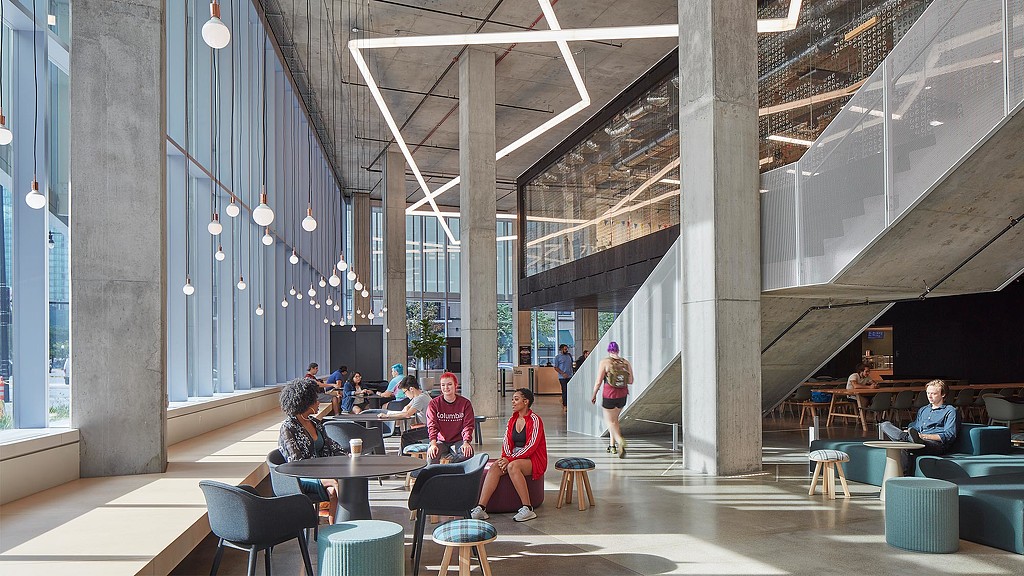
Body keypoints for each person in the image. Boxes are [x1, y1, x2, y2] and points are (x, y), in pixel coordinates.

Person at [471, 388, 547, 523]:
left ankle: (527, 508)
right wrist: (505, 457)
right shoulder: (512, 420)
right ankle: (481, 507)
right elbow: (506, 442)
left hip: (533, 459)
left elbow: (531, 446)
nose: (513, 402)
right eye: (513, 399)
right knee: (495, 466)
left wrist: (510, 459)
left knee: (512, 466)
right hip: (515, 457)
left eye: (516, 399)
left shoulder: (535, 420)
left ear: (526, 402)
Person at [277, 378, 347, 524]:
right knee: (336, 484)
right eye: (315, 399)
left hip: (321, 473)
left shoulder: (315, 422)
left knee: (343, 484)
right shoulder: (288, 428)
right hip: (299, 476)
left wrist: (348, 457)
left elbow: (331, 445)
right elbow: (296, 463)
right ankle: (337, 529)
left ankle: (336, 526)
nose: (318, 402)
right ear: (305, 402)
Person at [880, 379, 960, 474]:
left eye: (934, 394)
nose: (930, 396)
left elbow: (949, 435)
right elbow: (916, 428)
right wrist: (910, 433)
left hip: (935, 444)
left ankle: (905, 441)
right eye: (928, 393)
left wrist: (923, 436)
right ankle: (906, 438)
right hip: (917, 439)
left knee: (906, 444)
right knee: (885, 425)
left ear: (943, 394)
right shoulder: (923, 410)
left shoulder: (950, 411)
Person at [592, 341, 633, 458]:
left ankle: (620, 441)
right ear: (618, 350)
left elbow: (598, 381)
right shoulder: (625, 362)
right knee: (614, 420)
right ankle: (612, 446)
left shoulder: (605, 362)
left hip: (609, 395)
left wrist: (594, 394)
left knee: (609, 421)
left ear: (609, 351)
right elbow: (630, 381)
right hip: (623, 395)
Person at [426, 371, 476, 464]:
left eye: (449, 384)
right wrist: (433, 444)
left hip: (458, 441)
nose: (446, 388)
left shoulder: (465, 403)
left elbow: (468, 425)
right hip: (441, 441)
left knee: (467, 453)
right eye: (443, 385)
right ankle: (431, 477)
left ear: (455, 385)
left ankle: (451, 469)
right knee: (432, 453)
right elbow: (432, 425)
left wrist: (466, 442)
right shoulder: (434, 404)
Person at [379, 376, 431, 450]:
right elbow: (406, 408)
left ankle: (404, 459)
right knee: (407, 434)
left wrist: (387, 416)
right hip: (427, 427)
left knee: (405, 436)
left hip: (430, 429)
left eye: (405, 392)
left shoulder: (420, 399)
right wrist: (406, 408)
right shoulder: (420, 395)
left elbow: (407, 414)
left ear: (411, 389)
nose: (405, 395)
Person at [554, 343, 574, 413]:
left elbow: (571, 364)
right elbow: (556, 367)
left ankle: (567, 402)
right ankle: (565, 405)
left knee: (570, 391)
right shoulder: (558, 357)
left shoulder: (569, 356)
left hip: (570, 375)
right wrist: (562, 373)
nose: (566, 350)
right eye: (565, 349)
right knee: (565, 390)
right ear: (561, 349)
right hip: (562, 377)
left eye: (567, 349)